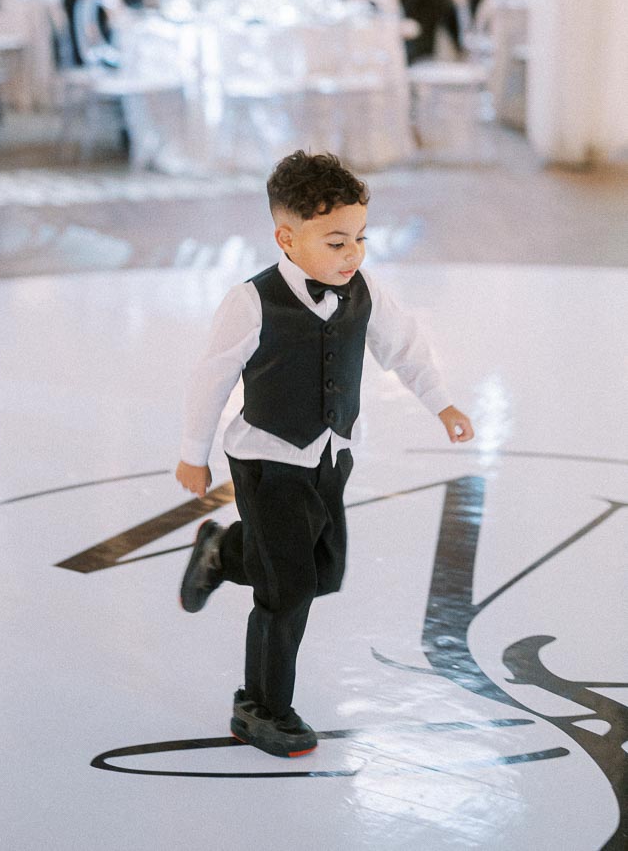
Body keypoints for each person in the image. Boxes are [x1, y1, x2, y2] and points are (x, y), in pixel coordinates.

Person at [176, 150, 474, 759]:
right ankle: (260, 706)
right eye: (336, 242)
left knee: (324, 574)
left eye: (360, 238)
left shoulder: (364, 291)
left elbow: (405, 347)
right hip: (267, 462)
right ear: (287, 238)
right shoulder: (251, 302)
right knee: (287, 593)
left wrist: (441, 402)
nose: (353, 254)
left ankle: (223, 549)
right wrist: (193, 452)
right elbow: (209, 378)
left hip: (331, 456)